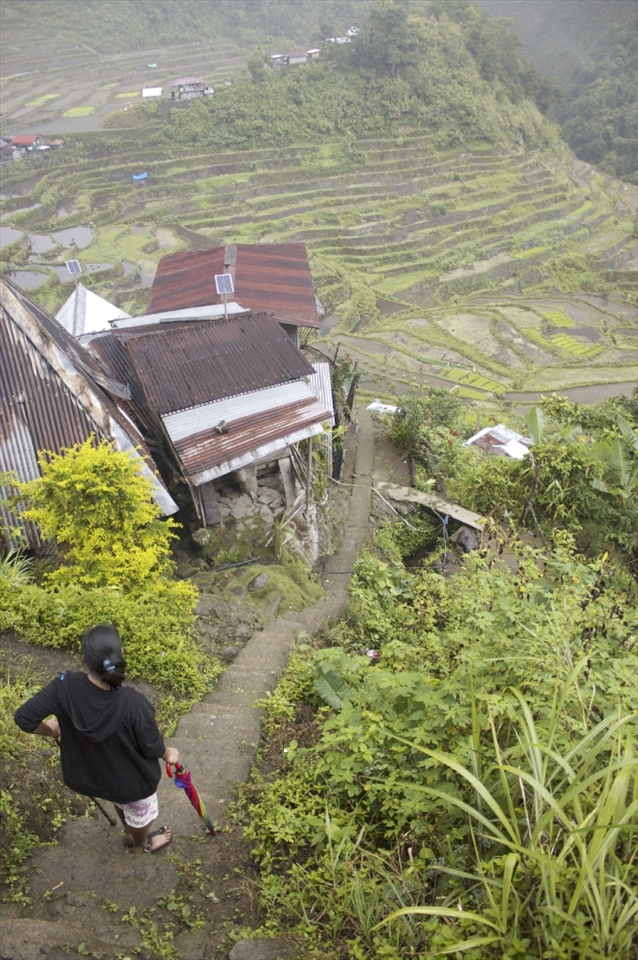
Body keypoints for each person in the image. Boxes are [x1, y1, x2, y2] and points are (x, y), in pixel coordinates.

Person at [14, 623, 178, 853]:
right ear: (121, 654)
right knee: (139, 812)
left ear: (83, 659)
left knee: (119, 799)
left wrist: (51, 730)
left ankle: (129, 833)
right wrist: (168, 752)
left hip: (91, 775)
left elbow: (24, 718)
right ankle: (141, 843)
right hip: (132, 782)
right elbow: (151, 747)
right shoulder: (133, 703)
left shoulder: (63, 686)